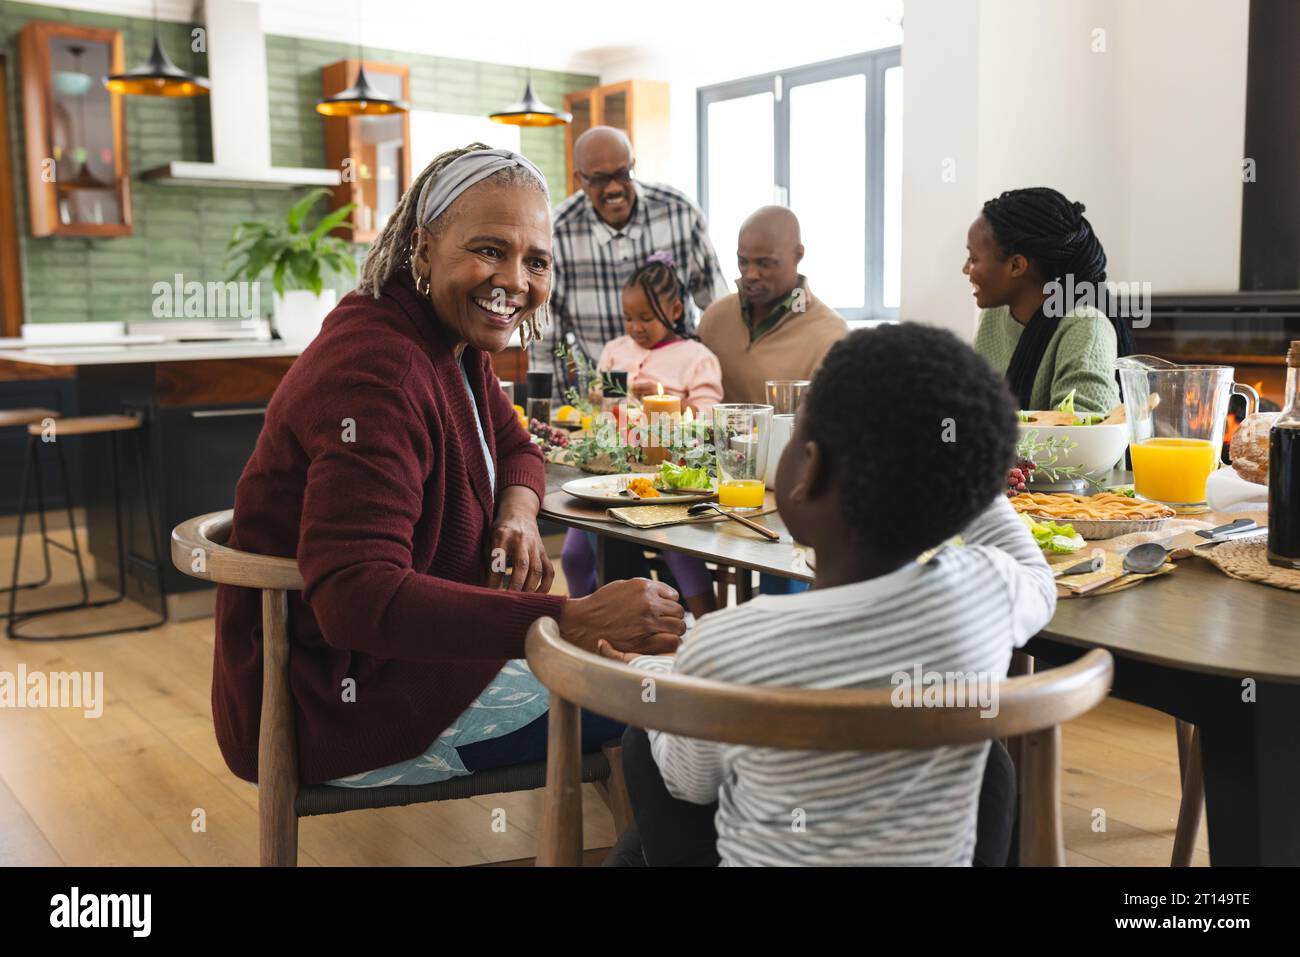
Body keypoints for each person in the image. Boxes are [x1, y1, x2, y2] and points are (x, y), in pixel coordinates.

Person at [213, 144, 685, 790]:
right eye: (490, 249)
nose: (516, 281)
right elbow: (357, 596)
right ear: (422, 247)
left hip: (416, 668)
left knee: (661, 685)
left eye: (536, 260)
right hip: (339, 712)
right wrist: (567, 619)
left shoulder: (446, 339)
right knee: (675, 710)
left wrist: (517, 513)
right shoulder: (377, 367)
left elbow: (517, 445)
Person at [600, 322, 1057, 866]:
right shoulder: (985, 592)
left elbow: (686, 780)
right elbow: (1035, 573)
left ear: (808, 470)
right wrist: (961, 469)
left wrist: (656, 672)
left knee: (644, 744)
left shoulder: (730, 644)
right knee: (992, 769)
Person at [561, 252, 723, 620]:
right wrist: (598, 400)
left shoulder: (696, 357)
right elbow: (605, 412)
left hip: (669, 481)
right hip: (610, 476)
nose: (635, 326)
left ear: (676, 310)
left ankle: (709, 623)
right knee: (573, 555)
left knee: (677, 551)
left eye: (646, 318)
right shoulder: (616, 350)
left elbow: (710, 416)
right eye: (629, 317)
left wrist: (668, 398)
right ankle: (586, 622)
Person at [544, 126, 730, 398]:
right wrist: (557, 415)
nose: (614, 187)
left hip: (681, 401)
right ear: (579, 179)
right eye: (599, 179)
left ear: (633, 165)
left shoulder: (679, 213)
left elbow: (717, 310)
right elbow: (548, 338)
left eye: (623, 174)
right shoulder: (558, 232)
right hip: (608, 404)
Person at [966, 186, 1133, 413]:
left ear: (1016, 265)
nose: (966, 269)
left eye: (973, 259)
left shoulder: (1086, 326)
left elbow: (1082, 437)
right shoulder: (993, 317)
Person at [697, 205, 848, 405]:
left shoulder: (829, 334)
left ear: (798, 255)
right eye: (743, 262)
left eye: (765, 264)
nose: (750, 274)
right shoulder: (715, 318)